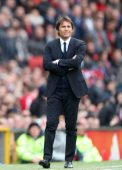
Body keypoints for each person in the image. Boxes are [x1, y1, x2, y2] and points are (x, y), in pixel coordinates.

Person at [39, 16, 88, 169]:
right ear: (58, 29)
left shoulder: (80, 44)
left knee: (71, 127)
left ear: (72, 29)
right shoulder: (50, 45)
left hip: (73, 91)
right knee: (51, 124)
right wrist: (69, 64)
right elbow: (46, 65)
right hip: (55, 90)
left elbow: (77, 62)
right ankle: (47, 159)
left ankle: (69, 160)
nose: (66, 29)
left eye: (68, 26)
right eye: (63, 26)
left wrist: (59, 62)